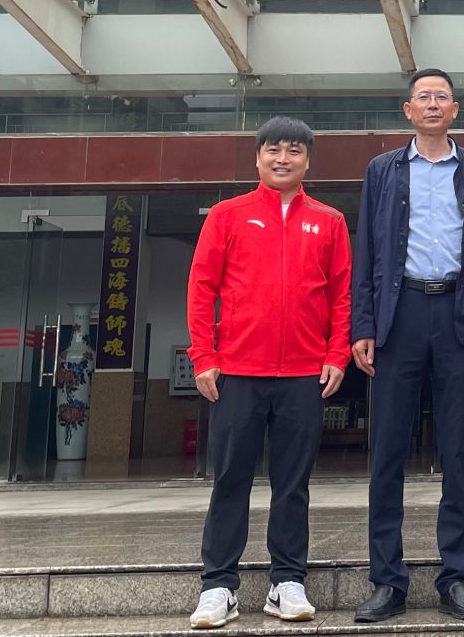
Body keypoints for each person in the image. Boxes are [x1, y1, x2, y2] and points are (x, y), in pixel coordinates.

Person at [349, 68, 464, 623]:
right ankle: (387, 581)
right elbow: (367, 251)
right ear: (408, 109)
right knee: (388, 451)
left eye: (442, 96)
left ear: (455, 110)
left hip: (460, 313)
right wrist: (363, 325)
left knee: (458, 451)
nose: (433, 104)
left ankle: (457, 578)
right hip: (401, 315)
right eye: (424, 97)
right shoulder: (383, 170)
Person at [187, 117, 351, 630]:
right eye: (274, 150)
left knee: (293, 483)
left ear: (308, 160)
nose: (283, 159)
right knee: (230, 479)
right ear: (257, 157)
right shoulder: (228, 215)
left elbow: (341, 295)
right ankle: (218, 586)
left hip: (304, 373)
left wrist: (337, 354)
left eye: (294, 151)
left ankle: (288, 581)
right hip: (238, 371)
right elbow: (201, 287)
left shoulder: (329, 221)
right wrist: (204, 356)